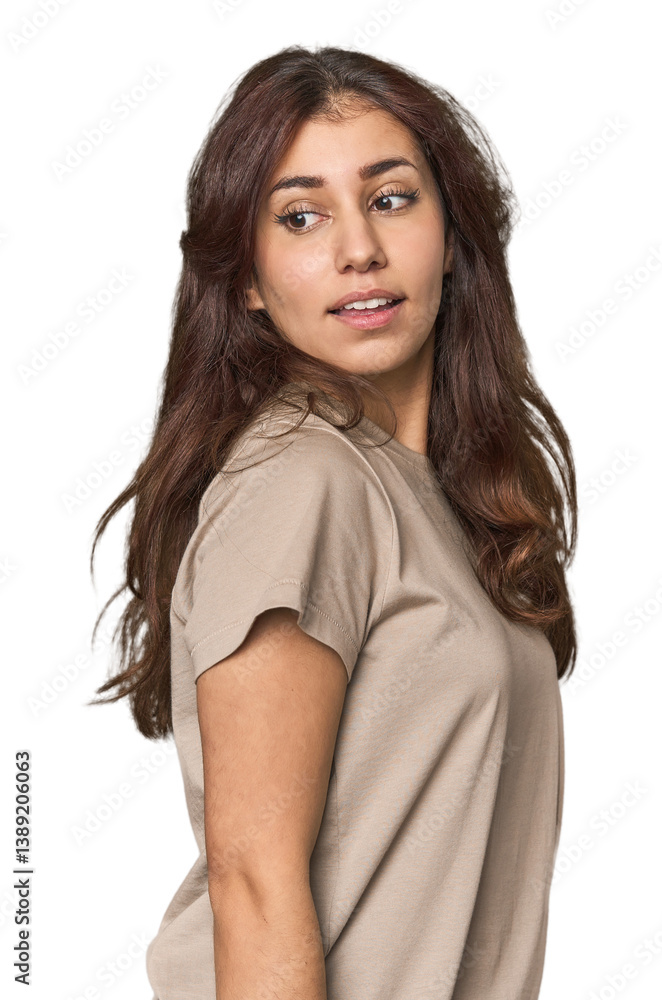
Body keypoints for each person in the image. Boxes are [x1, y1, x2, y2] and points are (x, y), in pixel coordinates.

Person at [88, 44, 578, 1000]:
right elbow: (255, 882)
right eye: (301, 216)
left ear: (453, 235)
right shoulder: (302, 478)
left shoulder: (431, 492)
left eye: (391, 198)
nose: (359, 248)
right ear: (247, 278)